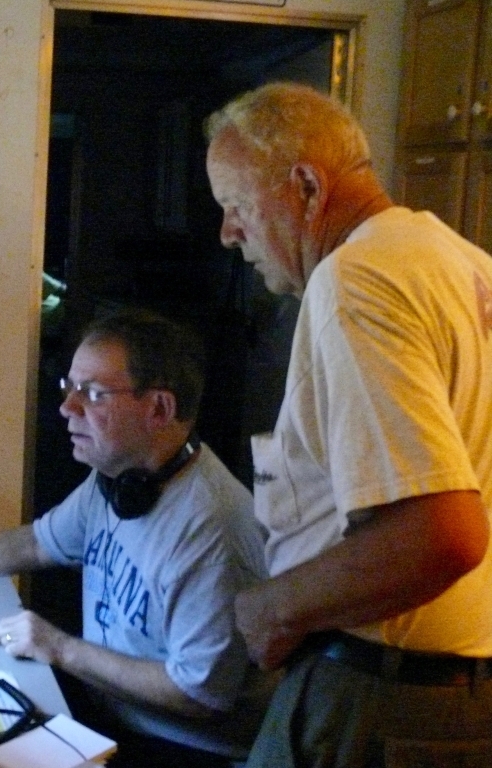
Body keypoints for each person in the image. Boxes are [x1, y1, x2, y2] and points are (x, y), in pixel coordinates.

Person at [204, 81, 492, 767]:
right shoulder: (467, 264)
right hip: (457, 698)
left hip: (378, 697)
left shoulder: (355, 278)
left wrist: (272, 609)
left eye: (237, 205)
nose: (227, 233)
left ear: (307, 186)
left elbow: (441, 535)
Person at [0, 310, 271, 767]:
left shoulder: (212, 531)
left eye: (93, 394)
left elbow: (198, 695)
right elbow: (35, 543)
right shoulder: (120, 479)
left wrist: (60, 648)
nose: (68, 408)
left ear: (159, 410)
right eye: (70, 387)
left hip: (175, 747)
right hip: (110, 707)